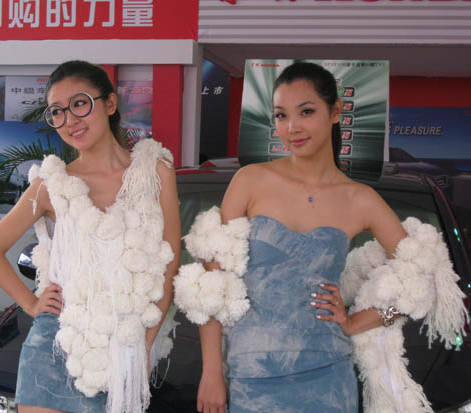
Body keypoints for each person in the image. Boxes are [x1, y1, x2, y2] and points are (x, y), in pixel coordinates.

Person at [174, 61, 467, 413]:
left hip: (329, 380)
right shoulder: (250, 181)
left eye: (306, 111)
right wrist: (211, 372)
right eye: (281, 116)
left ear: (335, 112)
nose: (292, 127)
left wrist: (359, 321)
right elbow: (211, 284)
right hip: (252, 378)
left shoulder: (360, 199)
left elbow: (424, 278)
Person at [0, 60, 181, 413]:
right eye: (57, 112)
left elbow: (170, 264)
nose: (70, 120)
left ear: (110, 103)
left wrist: (143, 345)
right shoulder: (51, 185)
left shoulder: (156, 173)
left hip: (123, 345)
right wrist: (32, 304)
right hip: (54, 344)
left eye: (80, 104)